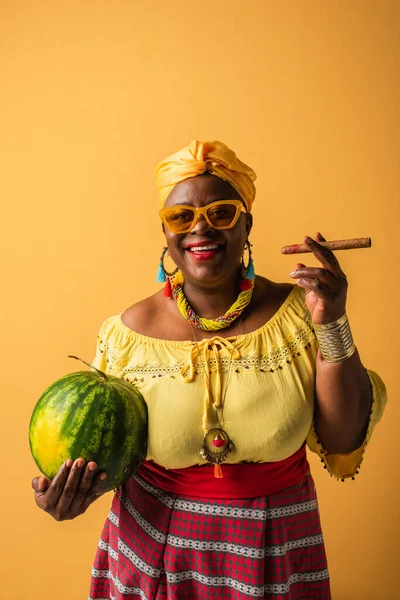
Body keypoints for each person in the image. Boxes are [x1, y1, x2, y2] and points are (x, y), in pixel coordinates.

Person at [32, 140, 387, 599]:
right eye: (181, 217)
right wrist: (67, 494)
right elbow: (100, 453)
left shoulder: (302, 313)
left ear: (247, 223)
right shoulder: (123, 336)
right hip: (152, 550)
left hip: (275, 545)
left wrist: (333, 319)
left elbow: (341, 439)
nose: (201, 228)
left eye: (220, 212)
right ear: (165, 233)